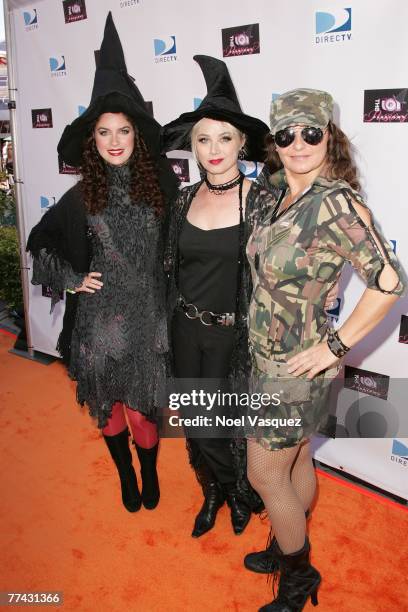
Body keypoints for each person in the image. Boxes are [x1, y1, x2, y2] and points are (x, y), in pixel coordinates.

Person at [244, 89, 407, 611]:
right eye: (286, 134)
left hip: (294, 367)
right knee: (292, 466)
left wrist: (335, 345)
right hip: (269, 358)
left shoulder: (335, 202)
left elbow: (388, 280)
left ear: (328, 136)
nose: (298, 144)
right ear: (274, 141)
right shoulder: (274, 192)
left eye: (311, 132)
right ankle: (285, 542)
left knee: (263, 472)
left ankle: (298, 576)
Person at [26, 14, 178, 514]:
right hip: (96, 324)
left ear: (137, 136)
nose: (115, 140)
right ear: (92, 139)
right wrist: (71, 278)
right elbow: (40, 241)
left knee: (143, 415)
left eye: (125, 130)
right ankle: (124, 477)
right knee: (107, 410)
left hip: (146, 323)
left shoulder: (164, 191)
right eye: (104, 131)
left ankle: (150, 472)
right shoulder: (79, 198)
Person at [163, 55, 278, 537]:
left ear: (242, 143)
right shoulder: (183, 198)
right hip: (185, 329)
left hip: (235, 337)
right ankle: (212, 490)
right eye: (203, 139)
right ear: (191, 146)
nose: (213, 149)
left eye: (224, 138)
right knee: (196, 421)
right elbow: (168, 267)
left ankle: (234, 491)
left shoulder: (262, 201)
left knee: (226, 424)